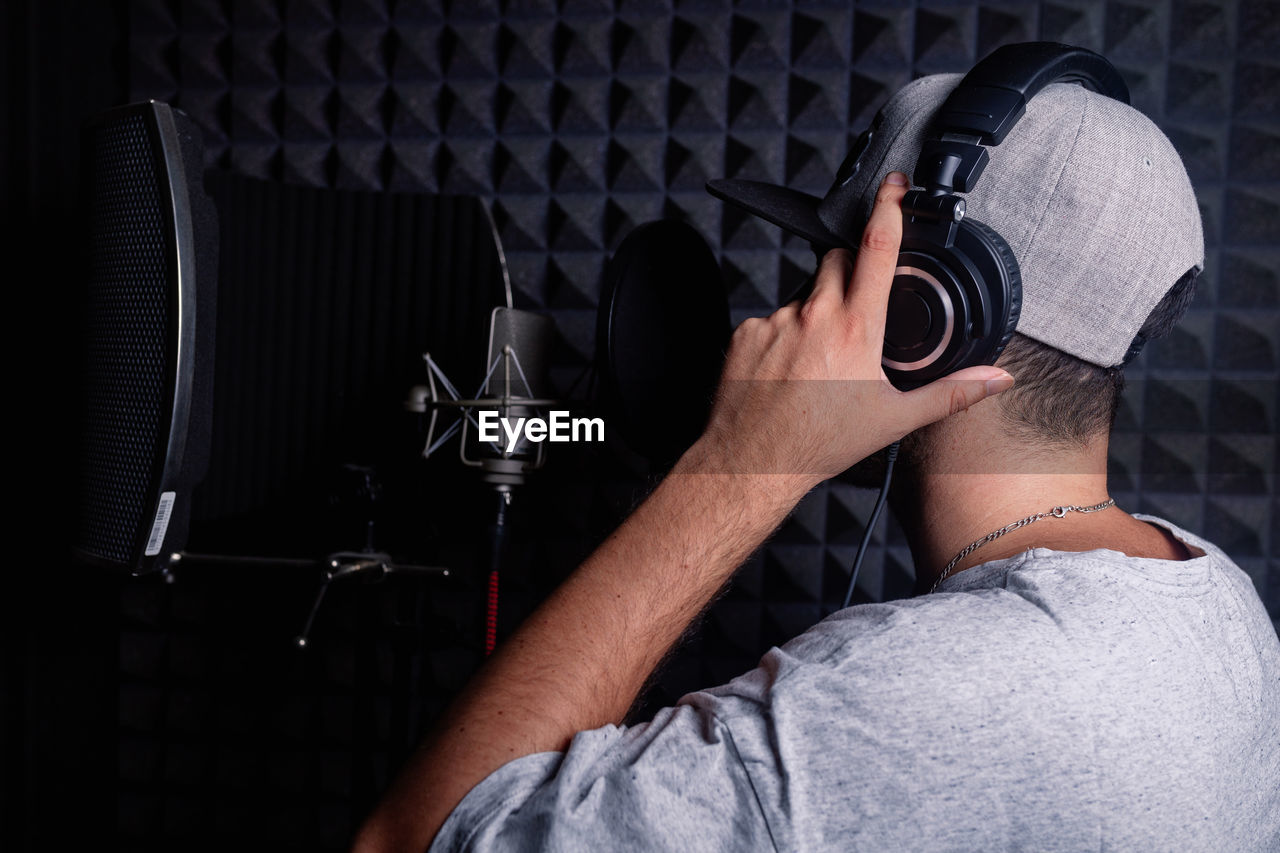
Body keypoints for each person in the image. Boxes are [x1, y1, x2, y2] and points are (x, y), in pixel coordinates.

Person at [354, 71, 1280, 852]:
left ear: (919, 316)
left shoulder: (893, 705)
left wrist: (740, 465)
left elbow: (413, 836)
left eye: (828, 273)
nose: (783, 319)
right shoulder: (1221, 608)